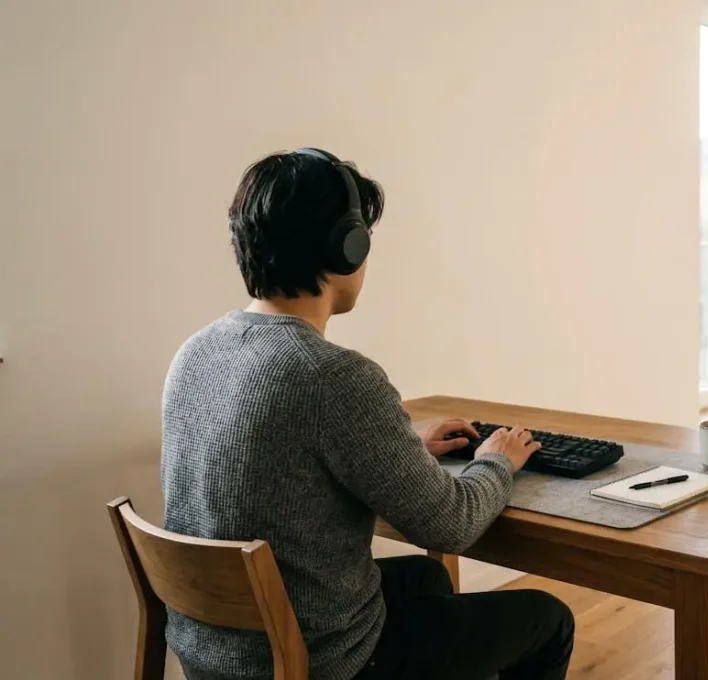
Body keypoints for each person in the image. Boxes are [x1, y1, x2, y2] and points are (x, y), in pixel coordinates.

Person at [161, 148, 574, 680]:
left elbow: (280, 465)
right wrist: (497, 460)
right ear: (346, 247)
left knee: (426, 579)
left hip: (213, 650)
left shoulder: (196, 351)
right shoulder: (331, 375)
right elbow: (451, 524)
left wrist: (403, 447)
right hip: (314, 660)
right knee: (548, 620)